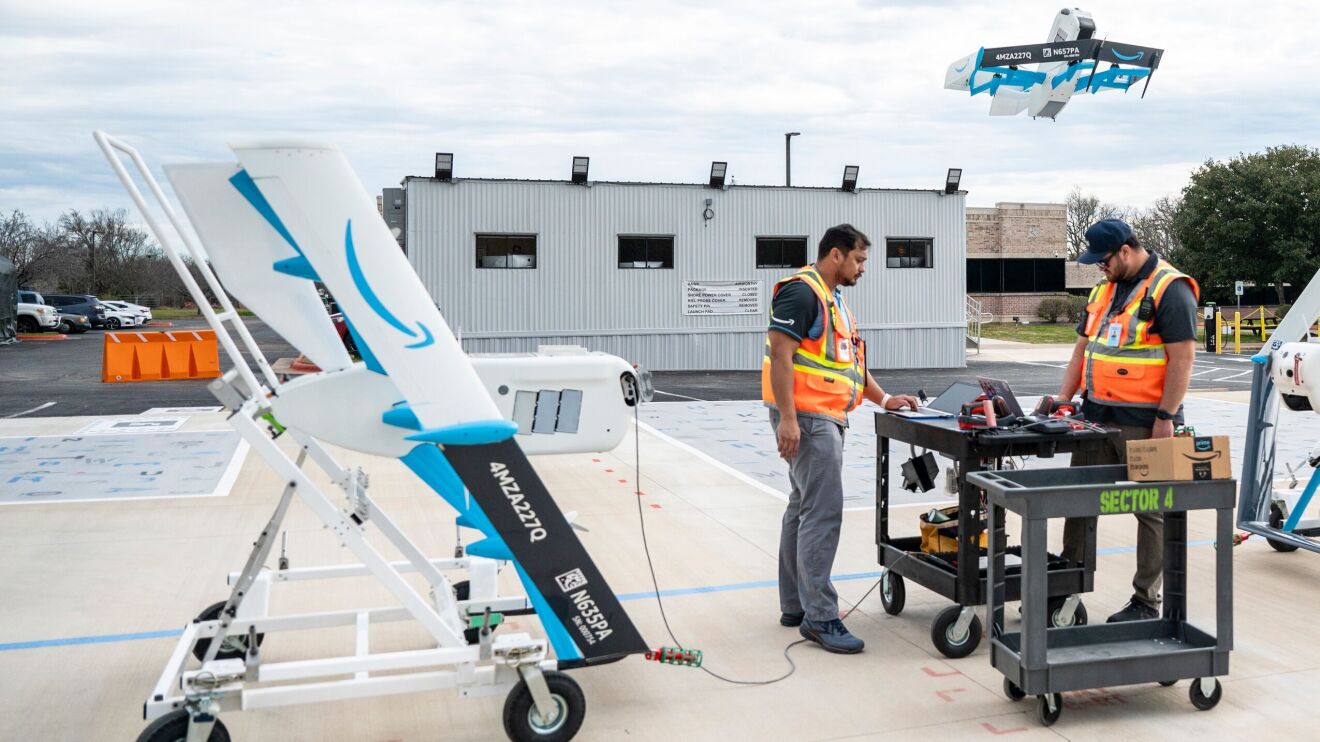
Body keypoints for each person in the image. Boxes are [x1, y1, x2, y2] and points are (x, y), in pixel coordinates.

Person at [761, 224, 919, 653]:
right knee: (822, 513)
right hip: (810, 418)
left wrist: (884, 398)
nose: (863, 268)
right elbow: (781, 355)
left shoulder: (834, 301)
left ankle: (796, 604)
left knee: (802, 508)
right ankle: (821, 618)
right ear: (836, 255)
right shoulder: (802, 292)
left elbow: (849, 366)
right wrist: (789, 421)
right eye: (860, 259)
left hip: (821, 416)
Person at [1056, 218, 1199, 623]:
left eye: (1103, 260)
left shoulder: (1170, 289)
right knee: (1076, 499)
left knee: (1150, 510)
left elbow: (1182, 359)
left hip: (1145, 421)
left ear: (1125, 250)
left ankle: (1145, 602)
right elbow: (1082, 347)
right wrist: (1064, 399)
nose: (1098, 268)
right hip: (1095, 416)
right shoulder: (1104, 288)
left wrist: (1166, 418)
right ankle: (1068, 585)